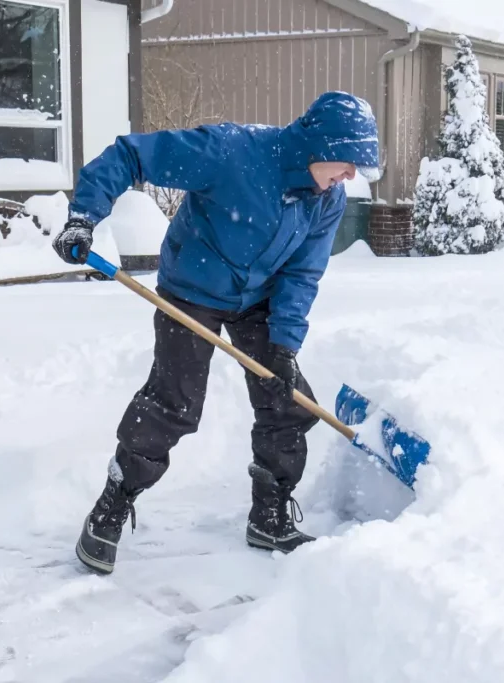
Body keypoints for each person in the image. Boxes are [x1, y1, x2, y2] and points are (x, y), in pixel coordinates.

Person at [51, 91, 380, 574]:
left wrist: (284, 346)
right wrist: (83, 218)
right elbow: (130, 155)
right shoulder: (232, 152)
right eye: (348, 161)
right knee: (174, 403)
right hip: (193, 289)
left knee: (287, 401)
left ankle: (269, 517)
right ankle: (113, 504)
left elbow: (302, 274)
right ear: (321, 145)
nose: (351, 175)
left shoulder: (327, 199)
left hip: (258, 297)